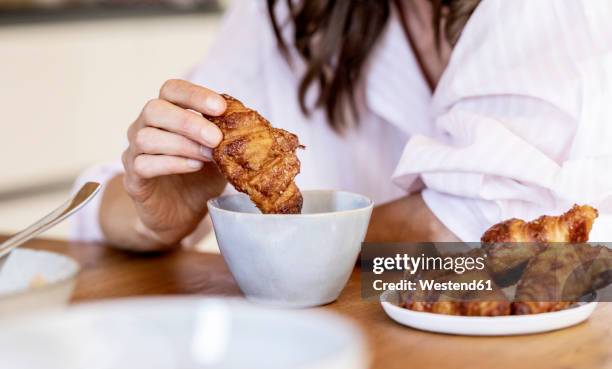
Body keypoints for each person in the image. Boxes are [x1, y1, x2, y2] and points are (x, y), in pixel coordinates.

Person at [73, 0, 612, 251]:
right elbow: (97, 208)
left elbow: (477, 227)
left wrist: (290, 237)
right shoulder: (282, 15)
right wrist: (159, 219)